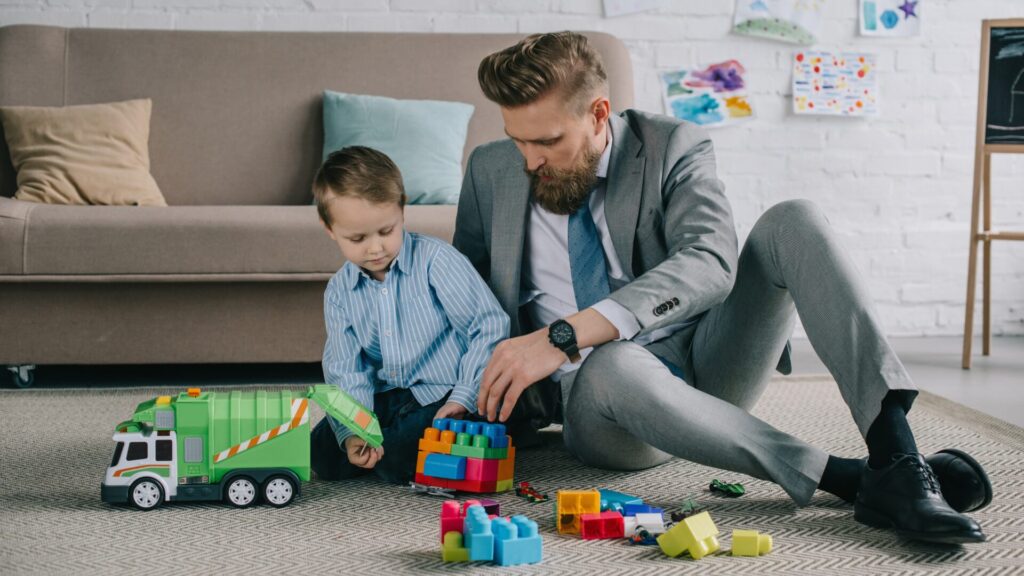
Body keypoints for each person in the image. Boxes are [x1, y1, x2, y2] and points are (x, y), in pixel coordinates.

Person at [453, 31, 992, 544]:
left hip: (706, 359)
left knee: (794, 220)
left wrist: (562, 334)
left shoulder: (671, 146)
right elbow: (464, 294)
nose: (530, 161)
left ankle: (897, 456)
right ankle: (848, 478)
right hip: (602, 400)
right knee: (614, 361)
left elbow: (709, 260)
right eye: (516, 140)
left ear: (598, 114)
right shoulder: (489, 171)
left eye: (547, 141)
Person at [310, 146, 510, 485]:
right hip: (388, 396)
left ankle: (406, 449)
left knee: (400, 456)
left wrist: (464, 395)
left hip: (444, 392)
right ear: (329, 229)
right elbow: (346, 368)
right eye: (357, 238)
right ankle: (380, 449)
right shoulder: (340, 291)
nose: (375, 249)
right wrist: (356, 430)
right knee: (322, 453)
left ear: (402, 211)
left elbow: (488, 326)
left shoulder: (437, 262)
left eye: (386, 231)